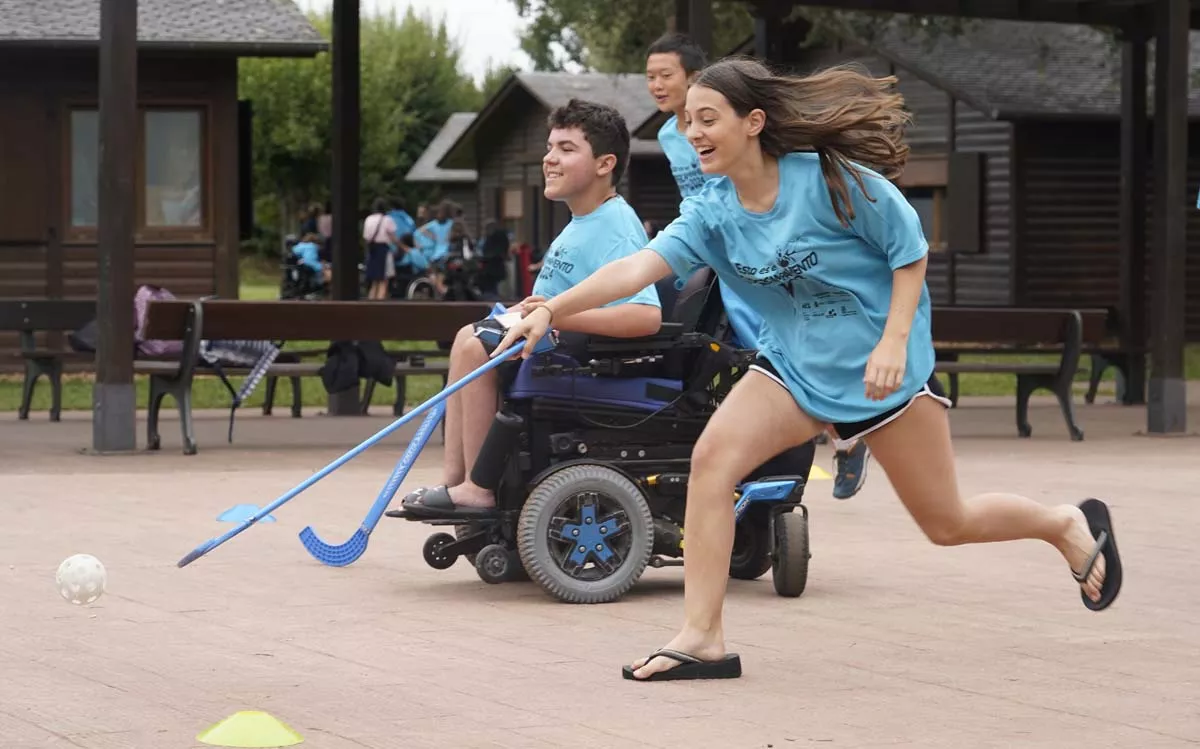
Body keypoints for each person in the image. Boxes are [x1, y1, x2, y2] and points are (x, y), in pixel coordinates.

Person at [494, 58, 1123, 681]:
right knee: (713, 463)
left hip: (885, 376)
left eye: (709, 118)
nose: (695, 133)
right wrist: (552, 307)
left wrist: (893, 343)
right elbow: (635, 270)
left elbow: (909, 252)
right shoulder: (713, 211)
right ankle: (703, 638)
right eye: (689, 121)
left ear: (754, 122)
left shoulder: (829, 180)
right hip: (793, 370)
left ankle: (1063, 524)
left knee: (946, 523)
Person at [399, 98, 663, 516]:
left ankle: (476, 488)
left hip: (580, 358)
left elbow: (646, 316)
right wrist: (536, 308)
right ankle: (457, 480)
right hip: (552, 341)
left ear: (604, 164)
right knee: (466, 338)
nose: (550, 159)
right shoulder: (582, 220)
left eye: (566, 148)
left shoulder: (617, 226)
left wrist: (555, 313)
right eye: (550, 147)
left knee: (474, 345)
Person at [647, 31, 869, 501]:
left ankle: (840, 430)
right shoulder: (671, 135)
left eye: (665, 75)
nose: (656, 84)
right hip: (710, 237)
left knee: (765, 325)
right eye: (649, 76)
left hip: (748, 240)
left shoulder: (737, 130)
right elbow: (697, 199)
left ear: (694, 77)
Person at [362, 198, 399, 300]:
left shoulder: (368, 219)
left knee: (374, 282)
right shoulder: (387, 220)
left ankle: (370, 305)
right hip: (383, 250)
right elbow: (393, 237)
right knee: (383, 280)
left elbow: (366, 238)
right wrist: (401, 247)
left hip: (372, 250)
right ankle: (380, 304)